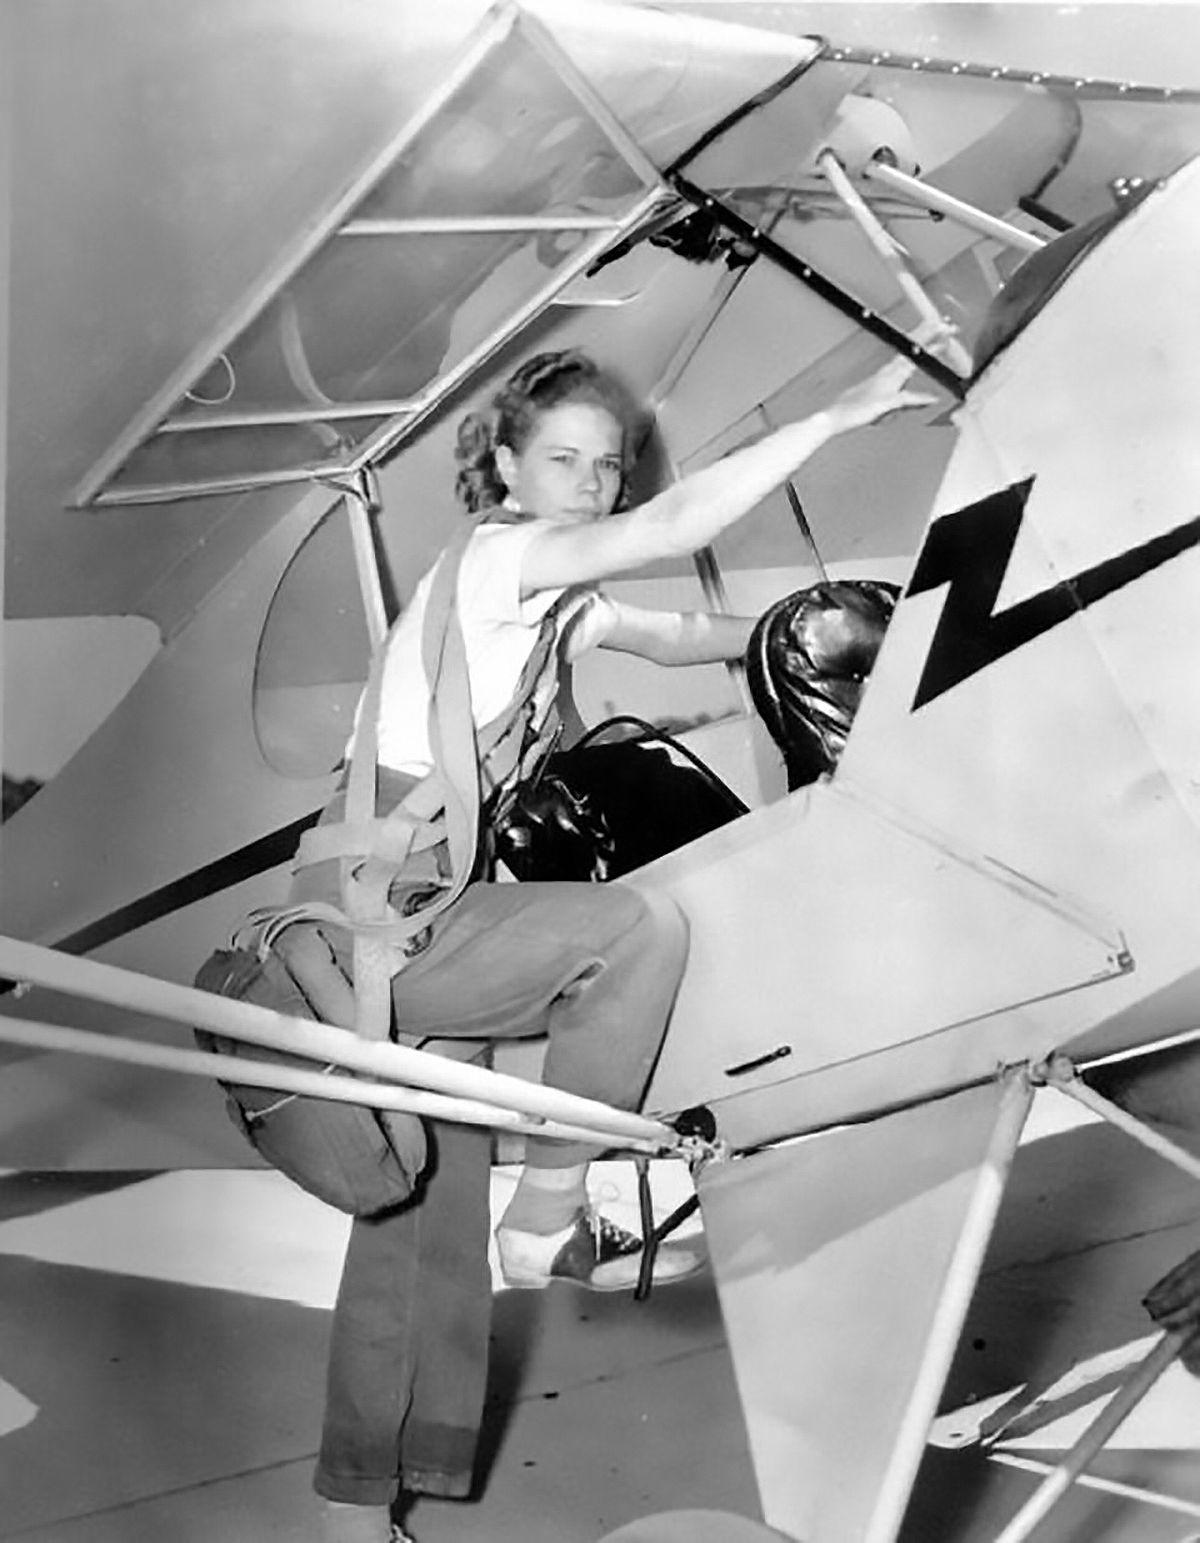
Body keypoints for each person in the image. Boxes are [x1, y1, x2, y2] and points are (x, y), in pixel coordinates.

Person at [282, 347, 930, 1541]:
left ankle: (355, 1513)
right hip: (376, 914)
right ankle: (549, 1218)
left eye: (607, 466)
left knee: (417, 1214)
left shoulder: (551, 601)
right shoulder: (495, 560)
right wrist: (832, 414)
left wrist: (836, 637)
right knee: (632, 934)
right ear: (507, 470)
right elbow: (676, 525)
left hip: (420, 915)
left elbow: (683, 634)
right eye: (562, 460)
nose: (589, 483)